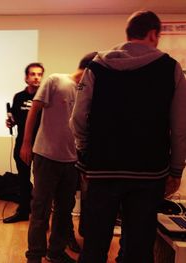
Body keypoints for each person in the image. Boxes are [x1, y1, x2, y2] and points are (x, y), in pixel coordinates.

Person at [71, 11, 186, 263]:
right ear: (154, 34)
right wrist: (176, 170)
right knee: (138, 248)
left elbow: (77, 118)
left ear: (128, 33)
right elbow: (180, 127)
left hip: (102, 170)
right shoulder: (171, 68)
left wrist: (86, 153)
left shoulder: (96, 66)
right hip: (149, 173)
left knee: (95, 245)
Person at [20, 52, 97, 263]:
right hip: (46, 156)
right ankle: (34, 255)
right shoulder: (56, 80)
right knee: (40, 209)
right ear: (90, 69)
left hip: (71, 161)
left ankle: (55, 252)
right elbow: (34, 110)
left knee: (65, 211)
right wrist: (27, 143)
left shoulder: (87, 92)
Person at [3, 62, 44, 223]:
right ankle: (23, 211)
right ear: (26, 78)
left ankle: (40, 218)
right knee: (23, 179)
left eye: (39, 74)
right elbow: (14, 118)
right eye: (33, 74)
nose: (36, 77)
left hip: (42, 145)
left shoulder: (45, 97)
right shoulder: (19, 97)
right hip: (22, 143)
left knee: (41, 182)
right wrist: (10, 122)